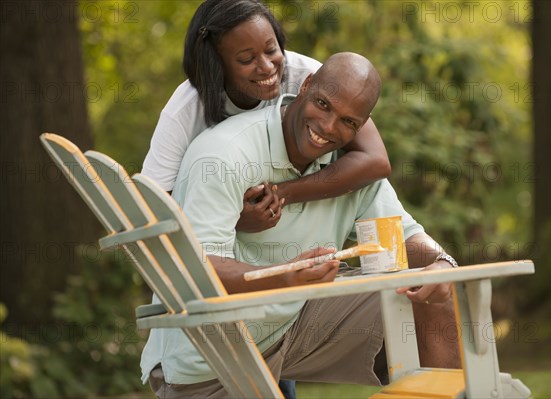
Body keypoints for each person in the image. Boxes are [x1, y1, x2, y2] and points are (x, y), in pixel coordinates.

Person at [141, 52, 460, 398]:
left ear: (362, 126)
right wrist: (285, 277)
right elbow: (195, 270)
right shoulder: (223, 155)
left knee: (434, 292)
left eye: (348, 122)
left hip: (296, 321)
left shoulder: (352, 169)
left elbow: (405, 237)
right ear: (306, 85)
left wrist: (442, 264)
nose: (328, 127)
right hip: (213, 349)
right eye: (323, 104)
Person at [141, 0, 391, 235]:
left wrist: (282, 194)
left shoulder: (309, 76)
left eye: (271, 50)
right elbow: (154, 210)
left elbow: (376, 161)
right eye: (247, 59)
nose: (267, 67)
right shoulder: (186, 109)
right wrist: (230, 219)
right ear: (216, 64)